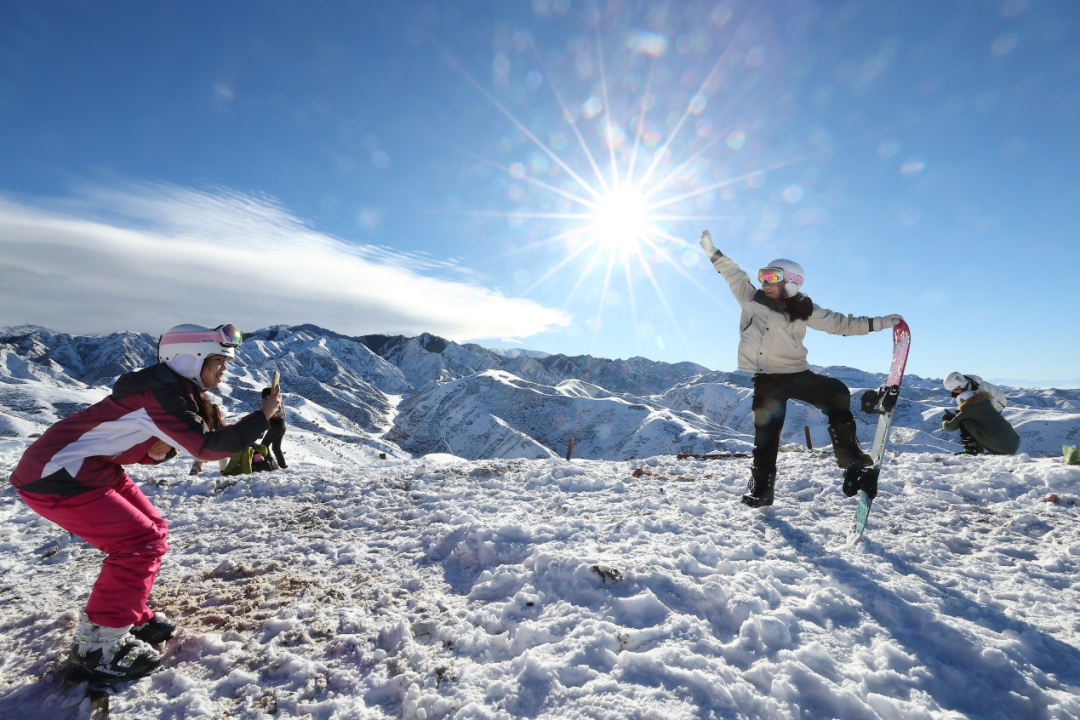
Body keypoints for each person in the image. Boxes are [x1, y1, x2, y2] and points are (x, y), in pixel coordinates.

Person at [8, 323, 280, 683]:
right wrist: (262, 416)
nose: (225, 369)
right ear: (190, 359)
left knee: (153, 531)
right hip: (55, 474)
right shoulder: (162, 394)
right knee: (138, 542)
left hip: (90, 467)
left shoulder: (172, 392)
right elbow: (207, 447)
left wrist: (157, 454)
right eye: (219, 360)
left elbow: (141, 445)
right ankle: (99, 648)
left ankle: (126, 612)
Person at [699, 231, 903, 507]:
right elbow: (732, 273)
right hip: (767, 381)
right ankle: (761, 491)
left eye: (772, 277)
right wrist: (713, 252)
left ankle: (850, 459)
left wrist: (881, 323)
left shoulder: (805, 309)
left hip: (796, 374)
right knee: (766, 437)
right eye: (763, 276)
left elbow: (841, 324)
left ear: (791, 284)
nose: (764, 282)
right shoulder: (750, 298)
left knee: (837, 392)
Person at [941, 389, 1020, 455]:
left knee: (964, 421)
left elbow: (949, 427)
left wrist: (945, 419)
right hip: (1013, 442)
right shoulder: (986, 404)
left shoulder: (968, 409)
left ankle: (972, 450)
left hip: (1003, 445)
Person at [260, 386, 288, 468]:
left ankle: (271, 463)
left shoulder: (272, 402)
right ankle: (283, 465)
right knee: (276, 447)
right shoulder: (279, 400)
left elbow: (269, 414)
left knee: (264, 445)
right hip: (281, 426)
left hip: (275, 426)